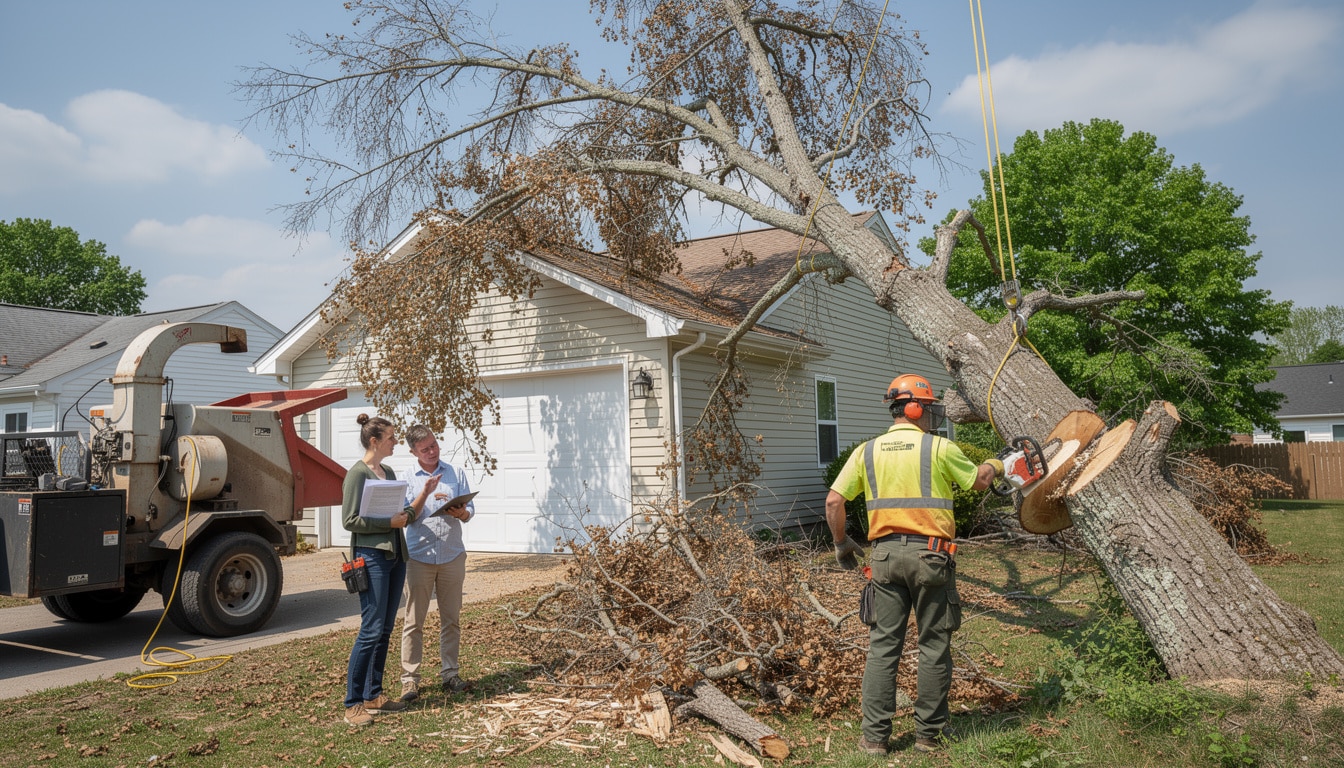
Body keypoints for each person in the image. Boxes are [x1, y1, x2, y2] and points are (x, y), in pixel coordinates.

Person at [825, 374, 1004, 755]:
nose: (932, 415)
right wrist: (996, 464)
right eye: (929, 407)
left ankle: (873, 739)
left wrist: (842, 545)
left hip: (885, 558)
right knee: (934, 645)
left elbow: (833, 503)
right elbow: (978, 482)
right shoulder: (937, 448)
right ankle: (929, 736)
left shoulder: (866, 451)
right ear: (914, 408)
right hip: (931, 557)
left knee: (883, 647)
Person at [342, 414, 439, 728]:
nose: (396, 442)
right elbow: (350, 521)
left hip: (396, 557)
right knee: (370, 630)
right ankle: (353, 704)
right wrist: (388, 522)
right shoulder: (357, 475)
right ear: (374, 441)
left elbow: (402, 516)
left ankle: (374, 695)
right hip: (370, 558)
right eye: (391, 438)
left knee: (384, 631)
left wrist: (423, 495)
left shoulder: (389, 471)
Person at [398, 425, 475, 702]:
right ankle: (410, 681)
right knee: (413, 621)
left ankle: (450, 674)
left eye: (434, 445)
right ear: (413, 452)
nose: (432, 452)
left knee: (451, 619)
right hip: (419, 557)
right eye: (425, 449)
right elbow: (406, 517)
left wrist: (463, 512)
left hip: (452, 554)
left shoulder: (455, 473)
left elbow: (470, 511)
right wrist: (426, 493)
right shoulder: (407, 478)